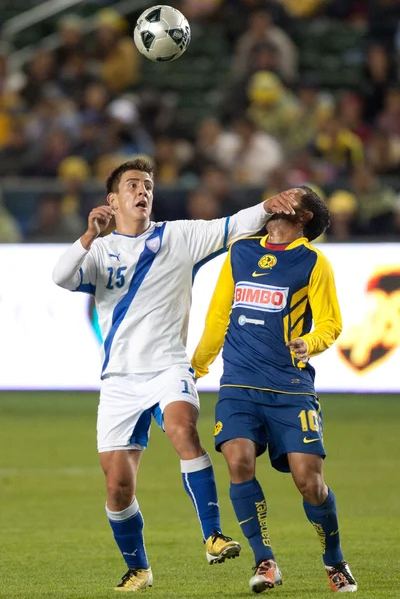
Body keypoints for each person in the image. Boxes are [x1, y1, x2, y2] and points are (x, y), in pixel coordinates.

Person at [52, 158, 298, 592]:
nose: (142, 191)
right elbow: (61, 277)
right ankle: (139, 568)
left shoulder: (179, 237)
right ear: (113, 199)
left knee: (183, 429)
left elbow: (233, 224)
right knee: (117, 489)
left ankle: (213, 535)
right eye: (132, 185)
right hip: (119, 380)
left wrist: (267, 206)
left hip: (169, 365)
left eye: (147, 185)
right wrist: (89, 236)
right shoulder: (101, 251)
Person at [191, 186, 358, 594]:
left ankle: (334, 561)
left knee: (309, 481)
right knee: (237, 460)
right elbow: (218, 314)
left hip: (289, 386)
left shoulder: (314, 262)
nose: (279, 201)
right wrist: (196, 366)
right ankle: (264, 560)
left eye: (292, 199)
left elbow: (331, 324)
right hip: (238, 383)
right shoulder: (241, 251)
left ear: (304, 217)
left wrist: (310, 343)